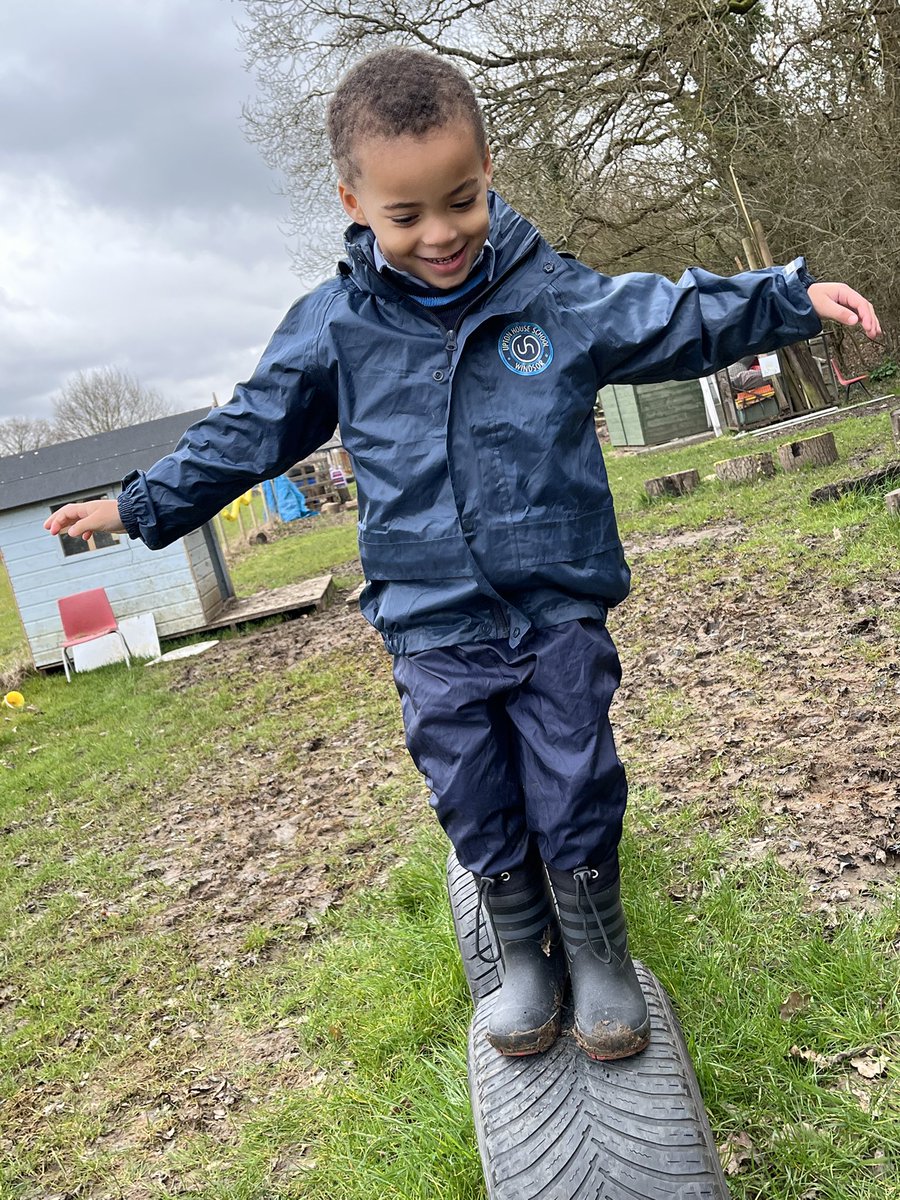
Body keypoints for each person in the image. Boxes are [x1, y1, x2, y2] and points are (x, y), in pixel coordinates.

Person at [45, 48, 881, 1062]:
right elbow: (247, 431)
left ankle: (597, 946)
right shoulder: (333, 328)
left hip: (553, 605)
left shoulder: (551, 296)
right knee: (471, 790)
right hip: (430, 622)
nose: (439, 233)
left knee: (574, 778)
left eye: (461, 199)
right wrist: (136, 507)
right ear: (355, 203)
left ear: (489, 169)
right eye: (406, 216)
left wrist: (790, 301)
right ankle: (523, 949)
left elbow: (666, 314)